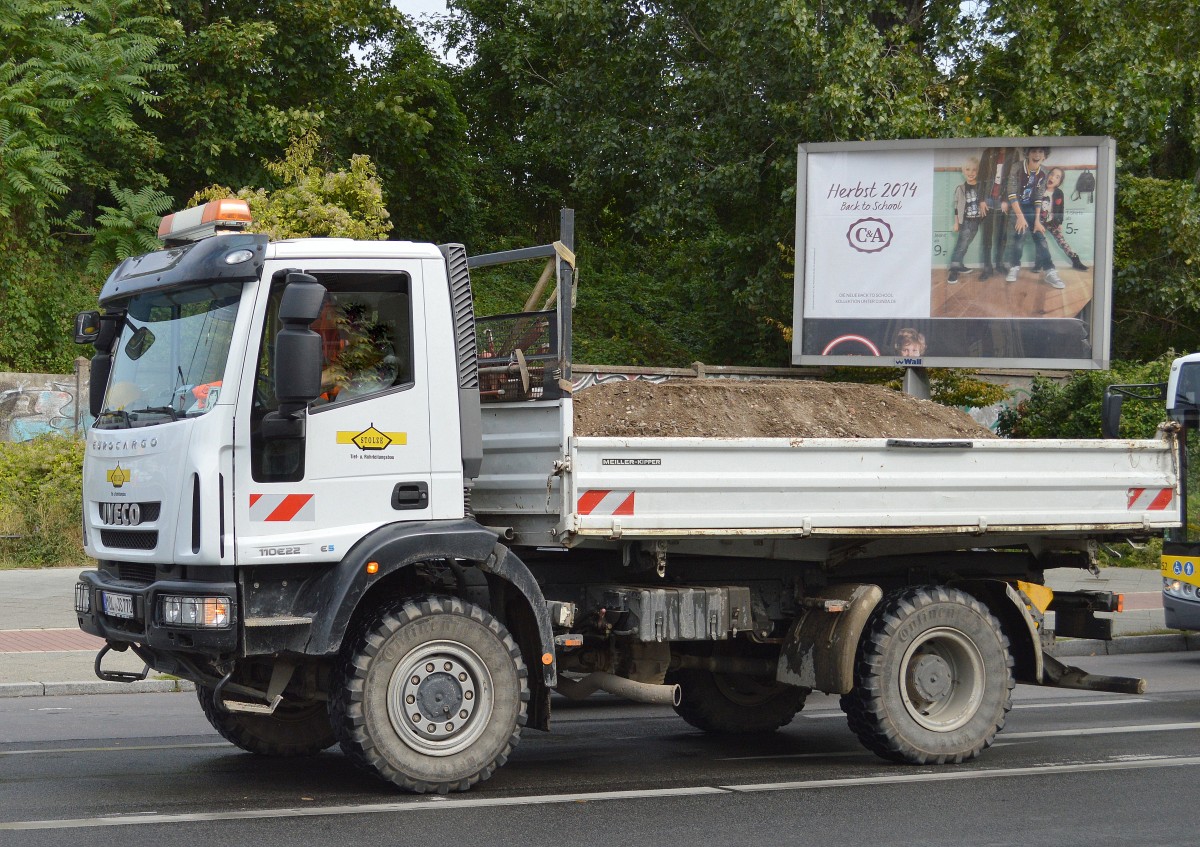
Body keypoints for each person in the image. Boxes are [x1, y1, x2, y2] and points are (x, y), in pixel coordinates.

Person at [1004, 147, 1063, 289]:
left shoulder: (1044, 171)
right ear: (1028, 153)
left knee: (1040, 237)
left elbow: (1038, 197)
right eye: (1034, 151)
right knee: (1019, 236)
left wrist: (1037, 220)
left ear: (1044, 155)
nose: (1037, 154)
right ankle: (1014, 266)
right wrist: (1020, 217)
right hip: (1017, 207)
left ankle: (1050, 271)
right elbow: (1011, 193)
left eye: (1040, 152)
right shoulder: (1017, 167)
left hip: (1032, 208)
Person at [977, 147, 1015, 280]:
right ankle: (987, 268)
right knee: (987, 236)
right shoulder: (988, 152)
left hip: (1003, 201)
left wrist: (1006, 199)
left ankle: (999, 264)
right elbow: (981, 176)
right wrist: (981, 199)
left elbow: (1013, 178)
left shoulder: (1013, 153)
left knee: (1002, 235)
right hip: (987, 199)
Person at [947, 157, 987, 284]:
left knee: (965, 245)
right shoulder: (960, 189)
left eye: (974, 170)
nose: (971, 172)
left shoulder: (981, 187)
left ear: (978, 171)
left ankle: (959, 265)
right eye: (968, 169)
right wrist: (956, 223)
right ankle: (953, 270)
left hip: (976, 222)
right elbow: (956, 207)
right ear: (963, 171)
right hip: (965, 222)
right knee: (961, 245)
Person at [1041, 166, 1089, 271]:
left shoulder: (1059, 193)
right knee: (1040, 242)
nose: (1053, 177)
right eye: (1052, 174)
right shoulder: (1040, 190)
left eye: (1057, 177)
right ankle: (1039, 263)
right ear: (1047, 176)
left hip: (1052, 222)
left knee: (1062, 241)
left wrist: (1059, 223)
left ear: (1059, 182)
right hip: (1039, 222)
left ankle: (1075, 260)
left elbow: (1061, 209)